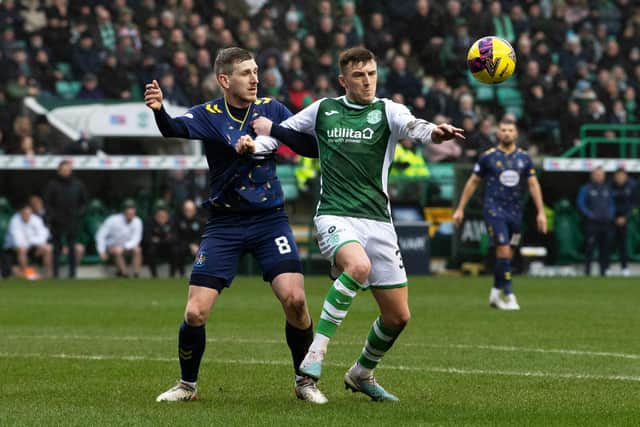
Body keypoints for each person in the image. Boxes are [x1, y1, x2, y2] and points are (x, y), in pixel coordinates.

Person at [238, 47, 463, 401]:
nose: (368, 81)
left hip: (379, 220)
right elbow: (280, 135)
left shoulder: (386, 110)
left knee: (398, 317)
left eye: (372, 73)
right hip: (335, 213)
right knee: (358, 266)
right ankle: (316, 352)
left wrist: (436, 132)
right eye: (359, 75)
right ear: (344, 80)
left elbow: (413, 125)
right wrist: (255, 145)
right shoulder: (324, 109)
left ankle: (361, 373)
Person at [144, 47, 326, 404]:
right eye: (246, 73)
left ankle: (305, 382)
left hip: (269, 220)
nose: (255, 78)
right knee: (195, 312)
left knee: (297, 301)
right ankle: (187, 385)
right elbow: (173, 129)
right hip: (225, 223)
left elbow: (310, 148)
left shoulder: (271, 109)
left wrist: (273, 132)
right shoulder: (209, 114)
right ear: (225, 80)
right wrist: (159, 111)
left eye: (256, 71)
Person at [453, 118, 547, 310]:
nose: (506, 133)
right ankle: (510, 295)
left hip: (515, 211)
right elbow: (472, 182)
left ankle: (495, 293)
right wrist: (460, 208)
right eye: (503, 130)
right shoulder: (488, 157)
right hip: (494, 209)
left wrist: (541, 212)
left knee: (507, 253)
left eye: (510, 130)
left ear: (516, 134)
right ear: (498, 134)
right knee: (503, 249)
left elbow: (533, 184)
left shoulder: (524, 158)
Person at [44, 160, 88, 278]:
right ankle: (56, 274)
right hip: (57, 222)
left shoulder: (78, 184)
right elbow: (47, 203)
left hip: (72, 221)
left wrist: (78, 213)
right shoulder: (52, 185)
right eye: (64, 170)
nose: (66, 172)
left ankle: (72, 274)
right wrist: (52, 216)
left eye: (68, 169)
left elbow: (84, 202)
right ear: (59, 171)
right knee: (56, 249)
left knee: (72, 248)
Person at [577, 166, 615, 276]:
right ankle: (587, 272)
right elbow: (581, 204)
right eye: (597, 175)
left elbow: (611, 204)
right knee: (590, 248)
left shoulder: (607, 189)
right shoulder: (586, 188)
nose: (599, 177)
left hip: (605, 223)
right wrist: (590, 215)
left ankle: (604, 272)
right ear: (592, 176)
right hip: (592, 224)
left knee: (605, 248)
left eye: (601, 175)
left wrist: (610, 215)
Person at [95, 198, 143, 278]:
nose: (131, 212)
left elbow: (136, 239)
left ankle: (136, 274)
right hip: (112, 247)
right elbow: (100, 235)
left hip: (127, 247)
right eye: (128, 209)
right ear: (124, 211)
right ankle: (124, 274)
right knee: (117, 251)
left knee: (138, 250)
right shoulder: (112, 220)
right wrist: (101, 251)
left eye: (133, 209)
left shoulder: (138, 221)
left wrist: (124, 247)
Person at [3, 203, 52, 280]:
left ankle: (48, 275)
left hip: (32, 247)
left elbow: (43, 237)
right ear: (20, 213)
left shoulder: (36, 219)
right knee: (22, 249)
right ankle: (28, 274)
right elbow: (18, 242)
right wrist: (33, 241)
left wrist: (31, 240)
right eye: (24, 214)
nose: (27, 216)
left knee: (48, 248)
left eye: (28, 214)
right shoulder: (14, 221)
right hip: (12, 250)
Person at [610, 166, 636, 276]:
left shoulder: (633, 186)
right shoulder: (609, 186)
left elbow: (634, 204)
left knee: (623, 245)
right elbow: (607, 204)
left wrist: (625, 217)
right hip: (611, 220)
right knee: (608, 244)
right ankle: (606, 268)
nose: (620, 178)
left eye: (622, 175)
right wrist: (613, 217)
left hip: (626, 220)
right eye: (618, 175)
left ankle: (624, 268)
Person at [143, 203, 177, 278]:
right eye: (159, 216)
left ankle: (172, 275)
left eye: (163, 216)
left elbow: (174, 238)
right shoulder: (149, 222)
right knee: (150, 251)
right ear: (155, 216)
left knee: (175, 250)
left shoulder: (172, 223)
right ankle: (154, 275)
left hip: (168, 247)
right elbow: (147, 239)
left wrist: (159, 240)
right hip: (155, 248)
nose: (162, 218)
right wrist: (165, 239)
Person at [172, 199, 204, 277]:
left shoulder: (200, 221)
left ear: (195, 210)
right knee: (176, 250)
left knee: (202, 252)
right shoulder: (178, 221)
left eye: (191, 210)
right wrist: (189, 245)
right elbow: (176, 236)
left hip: (197, 246)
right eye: (187, 210)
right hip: (182, 245)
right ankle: (180, 273)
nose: (188, 212)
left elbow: (202, 236)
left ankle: (201, 273)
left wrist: (196, 244)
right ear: (183, 210)